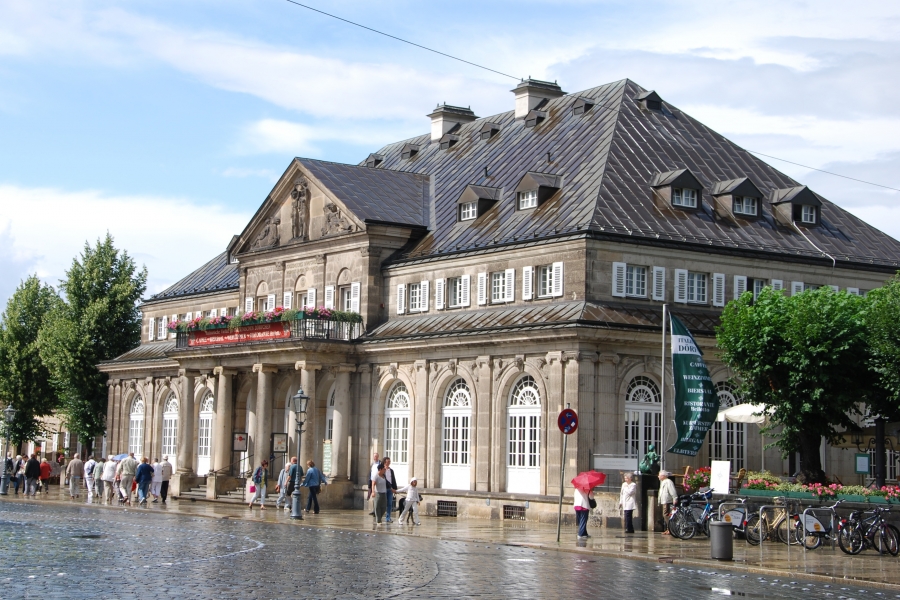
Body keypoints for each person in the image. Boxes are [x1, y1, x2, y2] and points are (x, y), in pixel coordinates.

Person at [658, 470, 678, 535]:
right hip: (664, 501)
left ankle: (670, 528)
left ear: (663, 476)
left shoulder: (668, 482)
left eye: (659, 475)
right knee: (666, 515)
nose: (658, 476)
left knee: (666, 514)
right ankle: (668, 529)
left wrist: (675, 498)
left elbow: (672, 491)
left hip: (667, 501)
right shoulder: (663, 482)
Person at [383, 457, 398, 523]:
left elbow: (393, 479)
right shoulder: (382, 470)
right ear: (385, 462)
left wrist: (395, 488)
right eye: (388, 461)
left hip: (390, 489)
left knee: (389, 503)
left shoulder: (391, 470)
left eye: (389, 461)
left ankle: (388, 517)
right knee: (383, 504)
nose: (389, 463)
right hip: (384, 488)